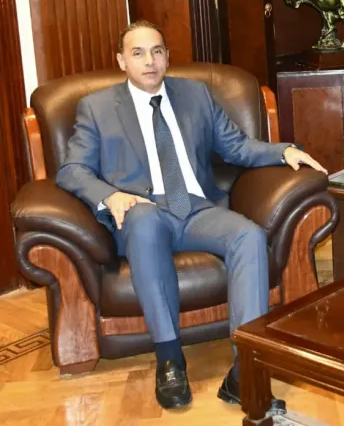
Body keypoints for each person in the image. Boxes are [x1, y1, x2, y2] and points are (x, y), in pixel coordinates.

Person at [56, 20, 327, 410]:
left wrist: (283, 151)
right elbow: (72, 170)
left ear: (167, 56)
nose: (149, 61)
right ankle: (170, 360)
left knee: (249, 236)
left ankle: (245, 369)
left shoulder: (195, 94)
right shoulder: (97, 108)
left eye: (157, 51)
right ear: (121, 61)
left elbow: (236, 147)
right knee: (145, 221)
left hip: (196, 209)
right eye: (138, 53)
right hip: (141, 213)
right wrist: (110, 196)